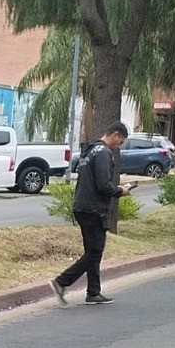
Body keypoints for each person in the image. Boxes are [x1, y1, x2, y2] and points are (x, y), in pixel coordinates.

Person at [49, 121, 133, 306]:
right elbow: (103, 185)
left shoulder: (89, 150)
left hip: (82, 205)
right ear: (115, 135)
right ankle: (61, 282)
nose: (118, 147)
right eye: (120, 143)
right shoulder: (103, 153)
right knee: (95, 252)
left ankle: (93, 292)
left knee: (92, 251)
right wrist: (121, 191)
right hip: (93, 209)